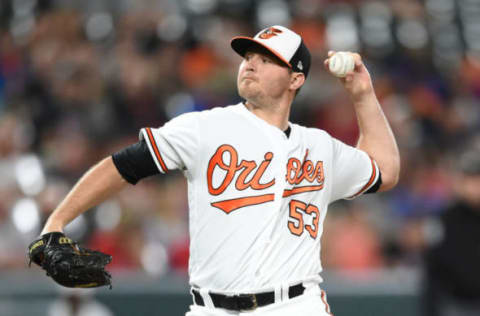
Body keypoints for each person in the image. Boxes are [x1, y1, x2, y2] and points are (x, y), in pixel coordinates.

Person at [36, 25, 400, 315]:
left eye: (267, 59)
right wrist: (57, 221)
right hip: (211, 307)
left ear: (295, 79)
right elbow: (125, 165)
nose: (251, 63)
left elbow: (385, 171)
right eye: (249, 56)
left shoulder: (319, 146)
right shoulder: (204, 128)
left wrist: (362, 95)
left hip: (295, 305)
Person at [423, 148, 480, 316]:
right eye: (471, 179)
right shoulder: (447, 220)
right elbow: (433, 271)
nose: (475, 186)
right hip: (456, 304)